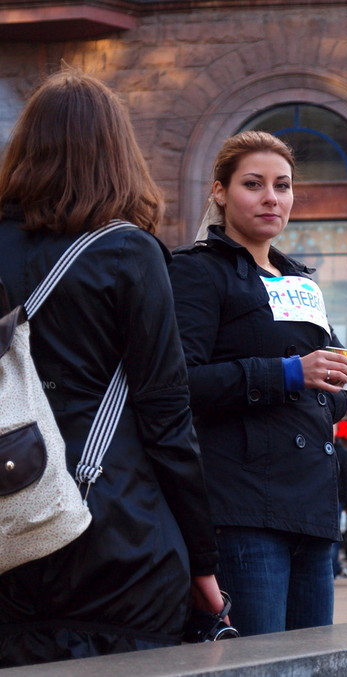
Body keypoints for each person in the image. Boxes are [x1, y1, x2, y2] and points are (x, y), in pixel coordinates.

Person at [0, 68, 223, 666]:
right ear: (117, 152)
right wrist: (203, 561)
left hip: (8, 523)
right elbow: (168, 419)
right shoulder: (128, 251)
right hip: (116, 534)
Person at [168, 131, 347, 635]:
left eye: (283, 185)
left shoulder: (300, 280)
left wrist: (340, 383)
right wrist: (290, 373)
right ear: (220, 192)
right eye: (253, 184)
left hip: (315, 510)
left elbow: (338, 375)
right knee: (257, 664)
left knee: (315, 667)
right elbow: (179, 383)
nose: (271, 197)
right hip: (244, 508)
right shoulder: (197, 272)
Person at [332, 427, 347, 577]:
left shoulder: (339, 453)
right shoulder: (343, 453)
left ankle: (332, 570)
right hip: (337, 500)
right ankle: (333, 570)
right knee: (333, 538)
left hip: (333, 499)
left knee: (330, 539)